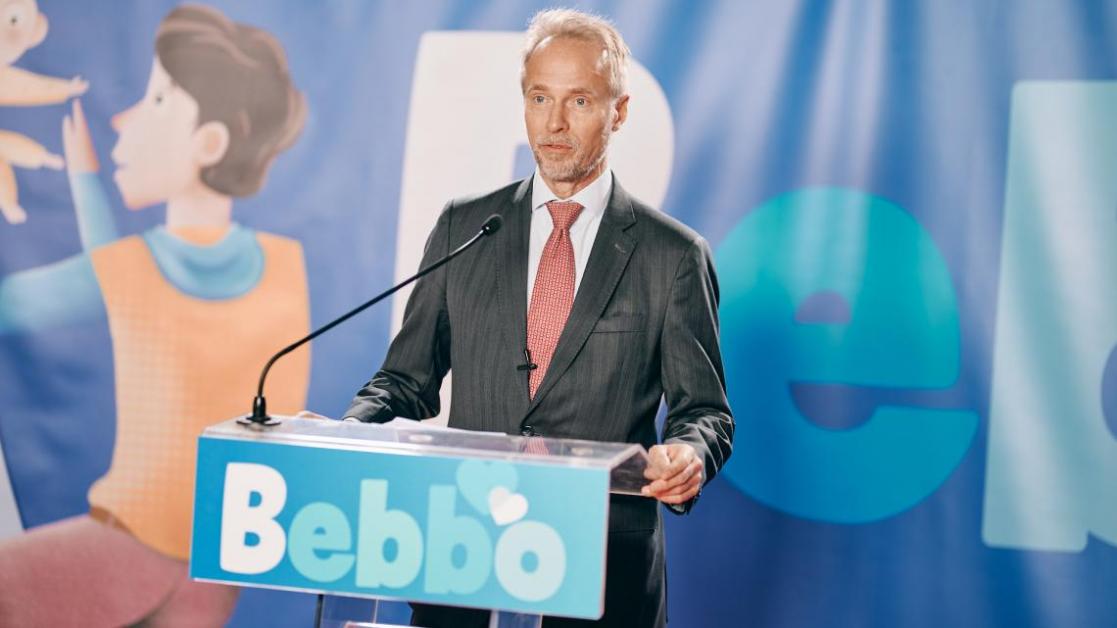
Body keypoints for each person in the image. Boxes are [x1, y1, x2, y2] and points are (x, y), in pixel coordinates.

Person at [344, 9, 733, 627]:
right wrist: (349, 430)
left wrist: (688, 453)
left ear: (619, 112)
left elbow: (704, 412)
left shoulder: (673, 256)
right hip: (463, 553)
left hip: (603, 568)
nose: (554, 123)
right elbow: (404, 381)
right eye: (539, 97)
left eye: (579, 100)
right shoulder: (465, 227)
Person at [0, 5, 310, 625]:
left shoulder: (132, 270)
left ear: (210, 143)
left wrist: (85, 184)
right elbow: (132, 287)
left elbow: (110, 285)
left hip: (133, 550)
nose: (123, 118)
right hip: (220, 567)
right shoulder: (284, 265)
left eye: (158, 99)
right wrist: (85, 183)